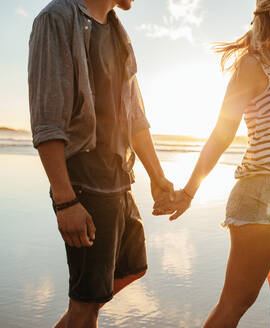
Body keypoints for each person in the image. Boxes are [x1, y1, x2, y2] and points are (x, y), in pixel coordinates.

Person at [154, 1, 270, 326]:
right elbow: (222, 133)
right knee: (237, 301)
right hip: (257, 195)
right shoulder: (253, 66)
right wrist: (190, 191)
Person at [28, 0, 174, 327]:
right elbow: (47, 120)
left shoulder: (117, 31)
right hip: (84, 184)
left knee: (128, 272)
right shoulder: (56, 19)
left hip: (118, 180)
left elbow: (135, 117)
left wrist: (157, 176)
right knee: (86, 303)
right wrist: (65, 201)